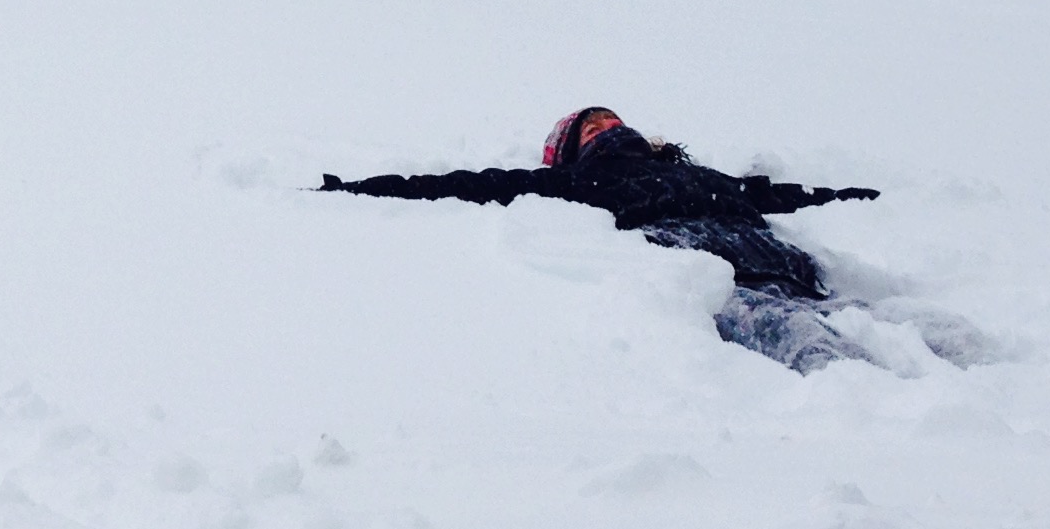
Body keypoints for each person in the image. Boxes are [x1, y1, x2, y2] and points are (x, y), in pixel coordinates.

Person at [322, 106, 881, 371]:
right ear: (569, 151)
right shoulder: (578, 181)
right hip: (719, 278)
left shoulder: (704, 175)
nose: (606, 128)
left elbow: (789, 196)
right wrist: (359, 189)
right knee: (820, 355)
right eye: (590, 128)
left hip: (788, 265)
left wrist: (864, 196)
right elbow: (470, 185)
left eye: (610, 120)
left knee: (897, 324)